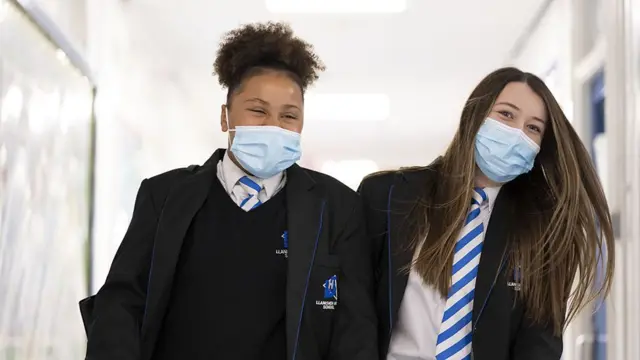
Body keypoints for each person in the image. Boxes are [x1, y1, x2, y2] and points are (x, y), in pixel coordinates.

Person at [83, 21, 378, 360]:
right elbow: (121, 304)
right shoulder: (164, 197)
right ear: (225, 117)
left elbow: (354, 333)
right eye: (258, 111)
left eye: (289, 116)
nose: (273, 127)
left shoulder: (337, 208)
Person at [358, 67, 615, 360]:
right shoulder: (388, 196)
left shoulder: (541, 230)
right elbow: (354, 313)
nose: (517, 134)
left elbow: (539, 344)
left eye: (533, 128)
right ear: (475, 114)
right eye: (506, 115)